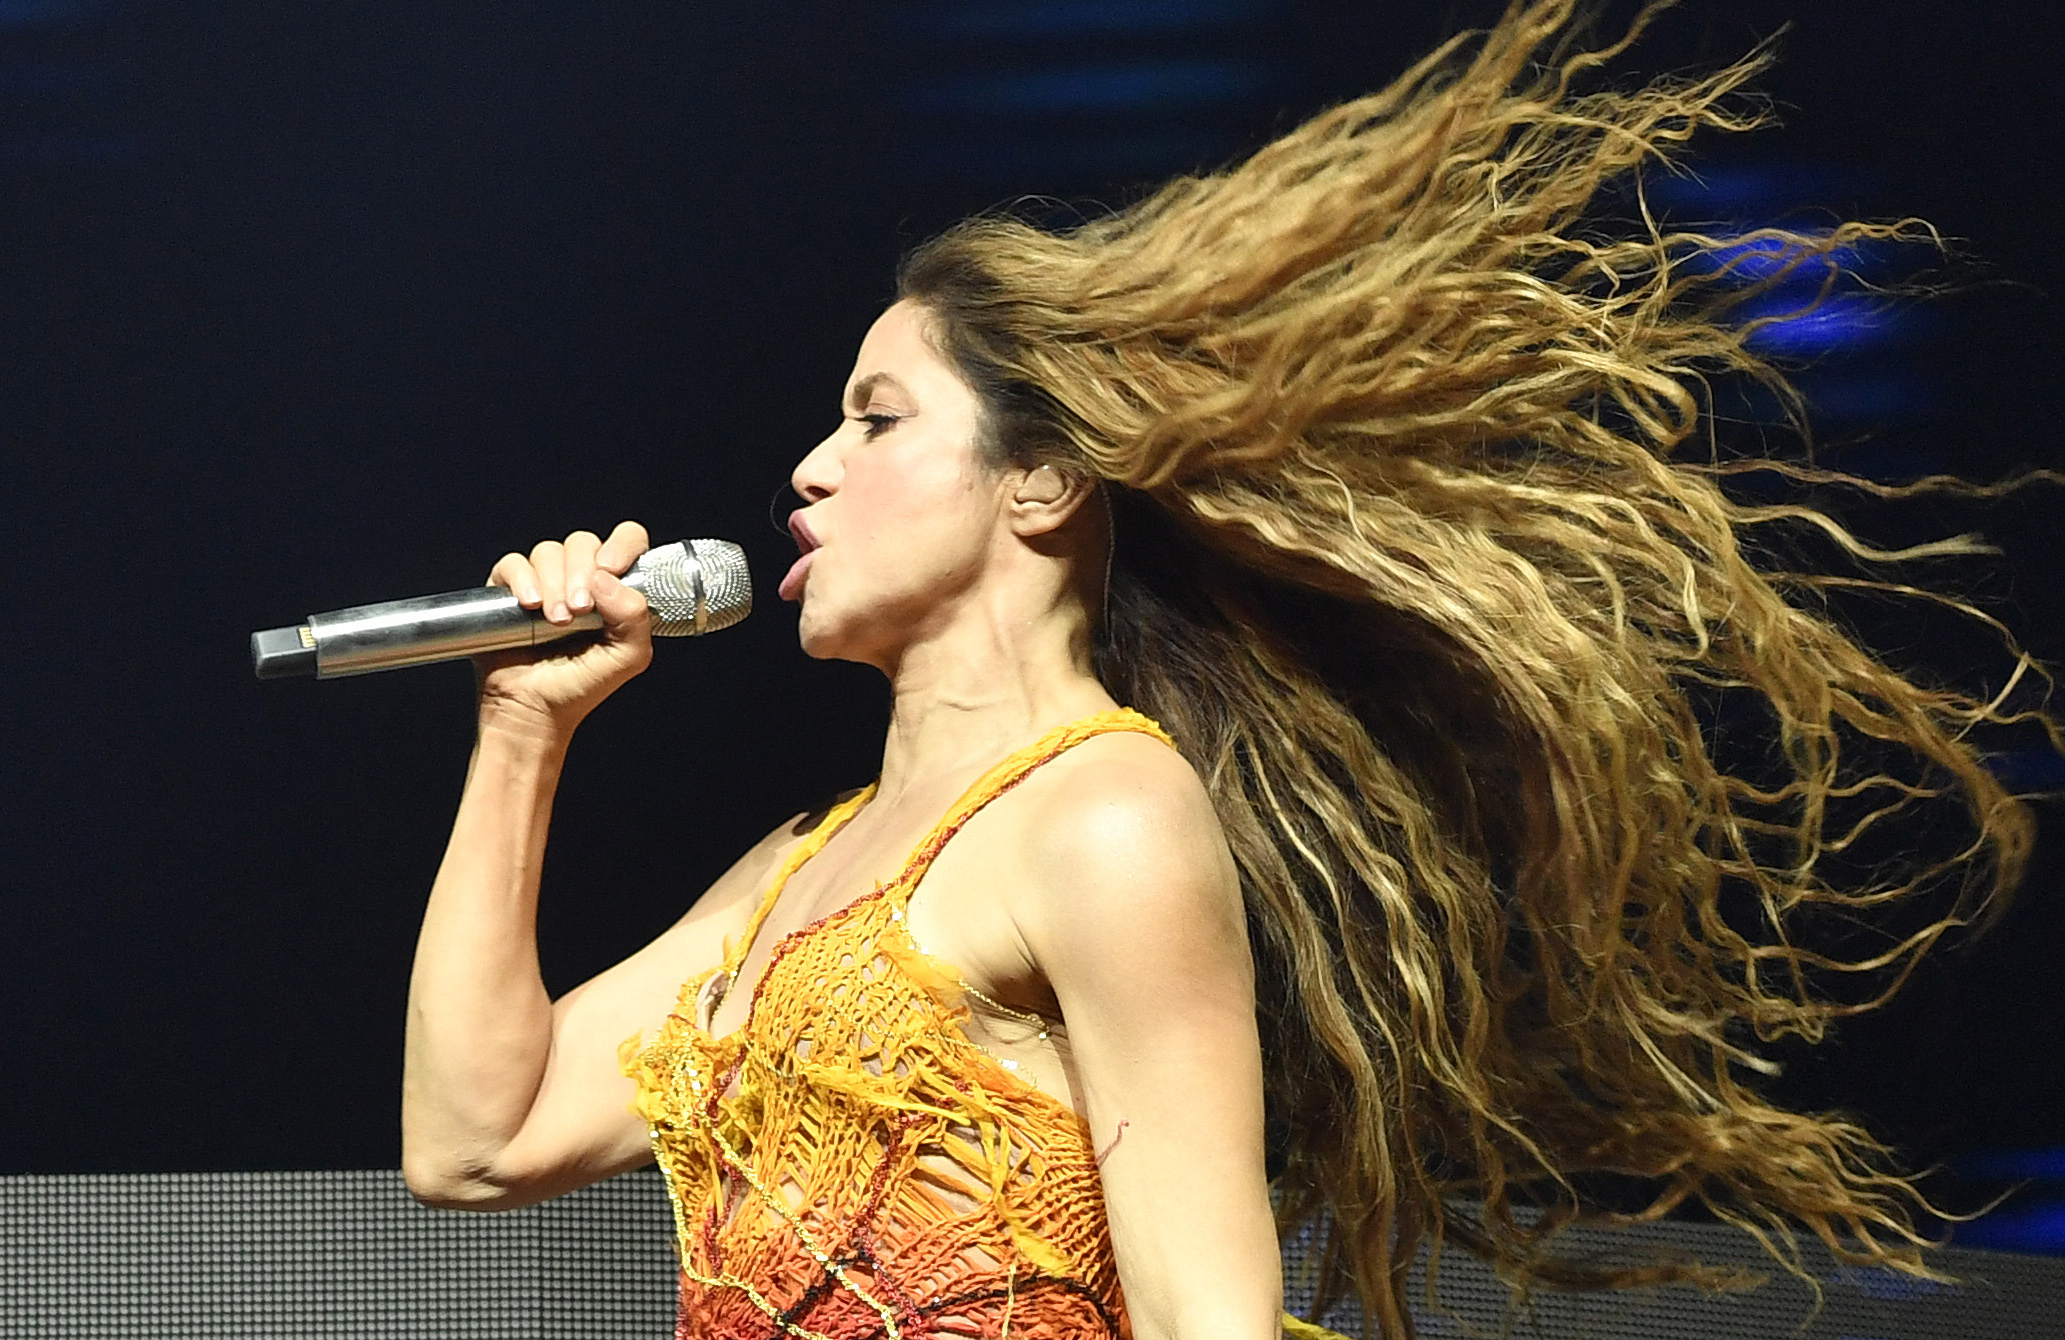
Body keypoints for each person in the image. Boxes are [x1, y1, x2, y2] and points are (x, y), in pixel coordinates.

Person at [398, 3, 2057, 1336]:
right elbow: (473, 1148)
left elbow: (1208, 1311)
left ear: (1041, 484)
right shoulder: (781, 880)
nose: (808, 469)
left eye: (877, 418)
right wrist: (517, 729)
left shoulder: (1101, 818)